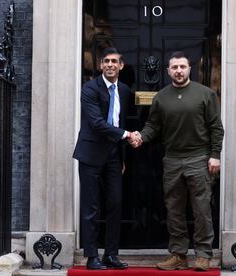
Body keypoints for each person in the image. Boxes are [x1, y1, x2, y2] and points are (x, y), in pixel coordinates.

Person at [130, 51, 224, 271]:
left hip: (199, 158)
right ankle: (178, 255)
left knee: (201, 209)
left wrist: (215, 155)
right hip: (172, 160)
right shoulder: (161, 97)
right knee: (174, 210)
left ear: (189, 68)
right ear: (168, 70)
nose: (179, 71)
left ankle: (202, 255)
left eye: (182, 67)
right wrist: (141, 137)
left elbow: (216, 128)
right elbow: (153, 125)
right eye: (175, 67)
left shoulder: (205, 94)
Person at [73, 47, 138, 270]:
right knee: (91, 207)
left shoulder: (125, 90)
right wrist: (127, 135)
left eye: (114, 61)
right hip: (90, 154)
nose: (110, 65)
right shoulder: (90, 88)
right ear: (101, 65)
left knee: (115, 204)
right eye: (106, 61)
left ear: (121, 66)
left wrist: (122, 156)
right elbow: (98, 124)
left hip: (113, 156)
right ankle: (92, 256)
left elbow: (121, 122)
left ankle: (111, 254)